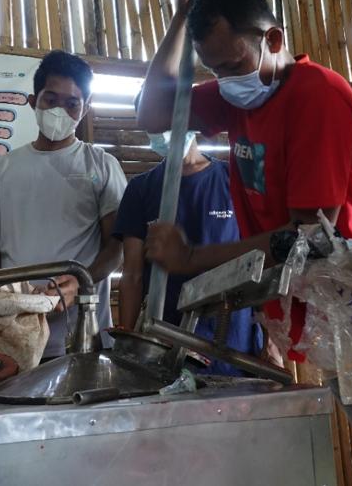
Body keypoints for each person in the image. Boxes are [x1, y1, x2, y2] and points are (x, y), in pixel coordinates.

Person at [137, 0, 352, 485]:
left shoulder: (315, 97)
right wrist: (181, 15)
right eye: (215, 69)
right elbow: (152, 112)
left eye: (234, 64)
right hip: (330, 316)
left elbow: (306, 237)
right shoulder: (240, 94)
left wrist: (189, 260)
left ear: (273, 40)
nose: (227, 79)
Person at [0, 50, 127, 359]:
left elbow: (116, 248)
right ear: (33, 101)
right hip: (14, 332)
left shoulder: (101, 166)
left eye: (72, 103)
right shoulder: (2, 168)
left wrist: (81, 282)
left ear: (85, 108)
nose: (60, 110)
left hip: (80, 334)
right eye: (50, 100)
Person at [113, 101, 263, 376]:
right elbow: (132, 275)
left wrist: (271, 338)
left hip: (233, 340)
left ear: (190, 123)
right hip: (166, 340)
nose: (160, 133)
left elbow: (261, 259)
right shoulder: (141, 189)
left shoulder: (232, 179)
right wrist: (128, 348)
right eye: (152, 127)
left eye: (166, 124)